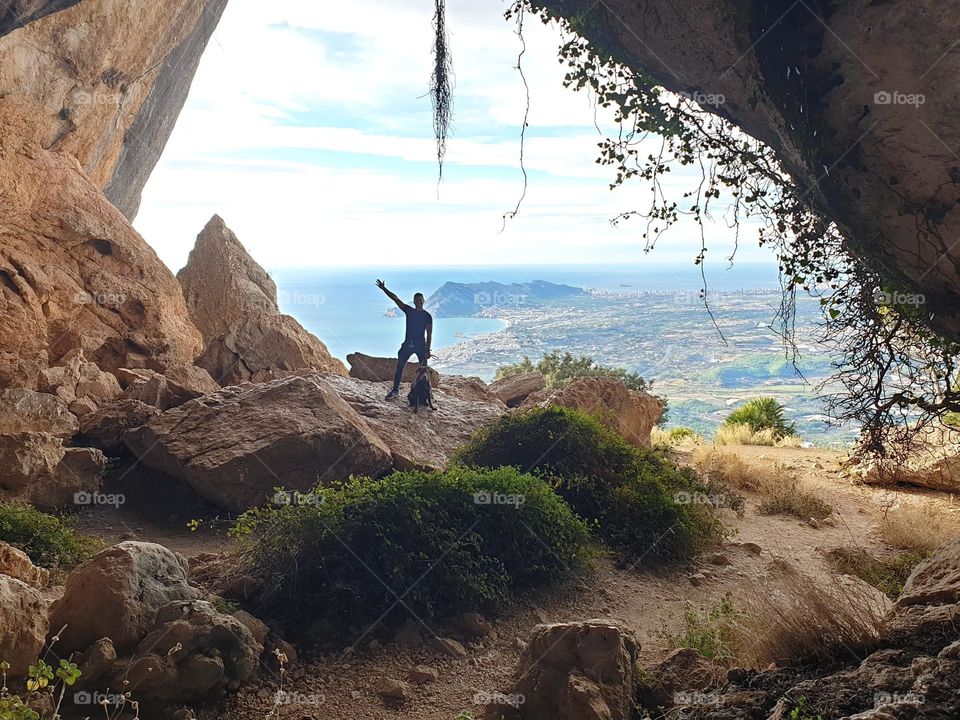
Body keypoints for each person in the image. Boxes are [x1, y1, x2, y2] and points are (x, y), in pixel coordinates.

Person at [376, 279, 433, 400]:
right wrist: (384, 289)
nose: (419, 302)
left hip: (420, 346)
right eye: (417, 300)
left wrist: (428, 350)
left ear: (423, 301)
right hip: (408, 344)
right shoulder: (409, 311)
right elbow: (395, 298)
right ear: (414, 301)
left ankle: (428, 393)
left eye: (420, 300)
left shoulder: (427, 316)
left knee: (424, 371)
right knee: (399, 367)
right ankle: (395, 390)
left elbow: (429, 334)